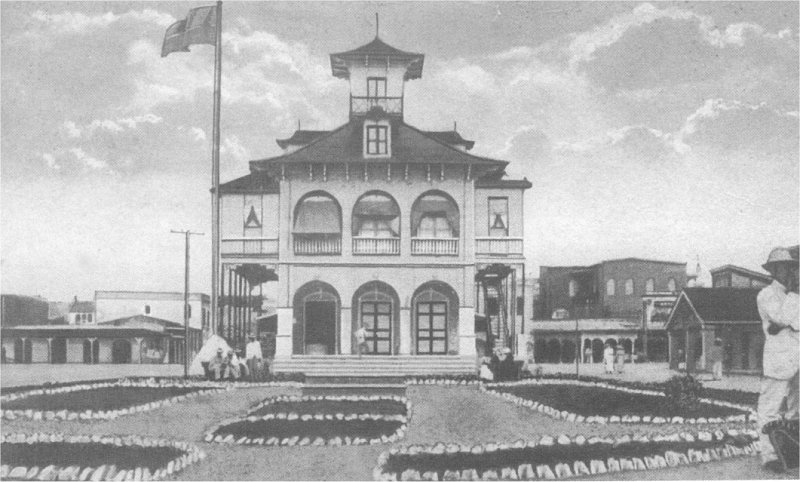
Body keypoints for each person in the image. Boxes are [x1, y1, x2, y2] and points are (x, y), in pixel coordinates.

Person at [756, 246, 799, 473]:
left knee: (798, 408)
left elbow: (792, 323)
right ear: (773, 270)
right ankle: (769, 455)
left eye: (791, 267)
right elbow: (781, 317)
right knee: (769, 408)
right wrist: (793, 297)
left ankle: (792, 451)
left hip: (799, 358)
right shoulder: (766, 295)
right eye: (782, 267)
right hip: (779, 360)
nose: (788, 271)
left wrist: (788, 323)